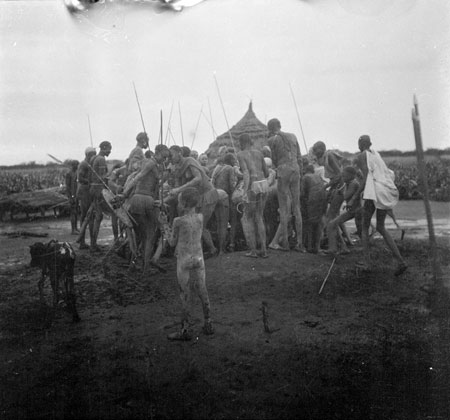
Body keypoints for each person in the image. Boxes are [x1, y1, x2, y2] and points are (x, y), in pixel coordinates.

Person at [159, 187, 214, 341]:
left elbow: (171, 242)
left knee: (185, 294)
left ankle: (185, 330)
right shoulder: (200, 218)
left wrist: (164, 225)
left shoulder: (178, 221)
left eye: (179, 201)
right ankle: (208, 323)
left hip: (184, 260)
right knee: (203, 290)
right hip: (198, 258)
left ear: (183, 203)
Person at [353, 135, 407, 275]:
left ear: (360, 144)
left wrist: (355, 195)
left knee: (365, 226)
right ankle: (401, 261)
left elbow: (365, 178)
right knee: (381, 227)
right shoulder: (376, 154)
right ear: (369, 144)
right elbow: (388, 173)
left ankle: (367, 262)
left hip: (375, 191)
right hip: (386, 190)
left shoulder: (361, 156)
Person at [122, 144, 170, 273]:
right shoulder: (150, 163)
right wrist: (124, 194)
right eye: (164, 157)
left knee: (140, 236)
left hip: (138, 200)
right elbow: (138, 177)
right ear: (158, 153)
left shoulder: (148, 163)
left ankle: (133, 265)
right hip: (145, 200)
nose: (165, 160)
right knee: (149, 236)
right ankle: (145, 269)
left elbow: (154, 186)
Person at [169, 145, 219, 256]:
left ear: (179, 153)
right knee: (199, 224)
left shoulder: (190, 161)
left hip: (207, 194)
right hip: (199, 197)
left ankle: (211, 250)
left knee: (201, 224)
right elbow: (177, 189)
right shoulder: (177, 168)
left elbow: (198, 178)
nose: (170, 158)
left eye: (172, 155)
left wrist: (178, 189)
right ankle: (208, 250)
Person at [267, 118, 305, 252]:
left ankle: (285, 244)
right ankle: (300, 244)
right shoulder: (293, 136)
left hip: (283, 170)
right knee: (297, 207)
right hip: (295, 169)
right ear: (280, 125)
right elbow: (299, 157)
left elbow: (275, 160)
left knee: (284, 209)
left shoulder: (273, 140)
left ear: (270, 129)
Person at [237, 133, 269, 258]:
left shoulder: (240, 154)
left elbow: (246, 173)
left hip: (252, 185)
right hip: (263, 183)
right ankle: (264, 250)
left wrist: (244, 191)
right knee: (259, 216)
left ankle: (253, 251)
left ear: (241, 142)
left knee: (248, 217)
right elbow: (266, 172)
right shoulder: (260, 153)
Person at [326, 166, 361, 255]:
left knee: (361, 233)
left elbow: (345, 196)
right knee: (332, 224)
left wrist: (337, 192)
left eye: (344, 176)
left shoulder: (353, 183)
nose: (343, 178)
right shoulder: (349, 183)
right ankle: (334, 248)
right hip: (352, 211)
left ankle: (334, 248)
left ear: (351, 175)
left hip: (356, 211)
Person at [211, 153, 238, 251]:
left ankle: (220, 247)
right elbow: (231, 185)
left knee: (220, 223)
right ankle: (230, 245)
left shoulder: (217, 168)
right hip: (227, 198)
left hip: (216, 196)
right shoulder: (230, 169)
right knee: (232, 222)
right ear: (231, 160)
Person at [89, 141, 112, 252]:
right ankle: (93, 245)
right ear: (103, 148)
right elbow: (102, 177)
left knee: (96, 217)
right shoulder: (101, 159)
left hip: (93, 189)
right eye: (109, 149)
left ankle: (93, 244)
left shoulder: (94, 158)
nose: (110, 151)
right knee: (98, 217)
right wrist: (111, 175)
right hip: (98, 190)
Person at [301, 164, 328, 254]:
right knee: (319, 222)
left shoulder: (305, 177)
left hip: (313, 198)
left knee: (310, 223)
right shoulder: (317, 176)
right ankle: (317, 246)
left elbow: (303, 193)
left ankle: (310, 246)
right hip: (323, 198)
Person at [76, 147, 96, 249]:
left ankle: (91, 242)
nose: (94, 156)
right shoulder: (84, 164)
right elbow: (80, 178)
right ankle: (82, 242)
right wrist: (90, 181)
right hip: (84, 192)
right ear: (88, 155)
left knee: (90, 216)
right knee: (85, 216)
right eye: (93, 154)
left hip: (88, 191)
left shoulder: (90, 164)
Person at [65, 160, 79, 235]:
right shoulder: (69, 174)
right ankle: (73, 229)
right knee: (73, 212)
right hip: (72, 196)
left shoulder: (76, 173)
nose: (77, 166)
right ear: (73, 165)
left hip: (76, 195)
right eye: (76, 165)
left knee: (76, 212)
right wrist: (70, 197)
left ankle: (76, 228)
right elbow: (67, 186)